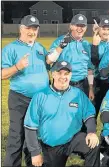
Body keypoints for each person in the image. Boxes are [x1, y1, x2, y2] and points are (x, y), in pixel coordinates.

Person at [24, 61, 99, 167]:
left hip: (72, 138)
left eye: (66, 74)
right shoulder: (40, 96)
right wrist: (35, 152)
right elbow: (30, 126)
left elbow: (89, 114)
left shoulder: (78, 94)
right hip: (52, 144)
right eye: (59, 73)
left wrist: (91, 132)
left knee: (93, 144)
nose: (63, 77)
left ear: (71, 75)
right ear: (53, 74)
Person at [1, 15, 49, 167]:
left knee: (35, 138)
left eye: (34, 29)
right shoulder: (10, 48)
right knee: (17, 138)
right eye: (28, 28)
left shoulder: (41, 48)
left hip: (40, 101)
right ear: (21, 29)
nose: (31, 32)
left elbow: (49, 66)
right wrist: (17, 67)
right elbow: (2, 74)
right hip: (20, 99)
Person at [47, 14, 94, 95]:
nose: (80, 29)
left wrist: (91, 88)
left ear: (86, 28)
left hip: (82, 86)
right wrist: (61, 46)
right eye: (77, 25)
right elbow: (49, 60)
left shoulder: (86, 45)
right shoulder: (60, 41)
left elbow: (89, 69)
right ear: (71, 26)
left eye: (82, 26)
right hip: (63, 84)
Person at [91, 18, 109, 116]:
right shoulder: (95, 44)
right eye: (103, 29)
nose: (106, 32)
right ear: (99, 30)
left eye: (108, 29)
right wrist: (95, 45)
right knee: (93, 111)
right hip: (98, 82)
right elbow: (92, 64)